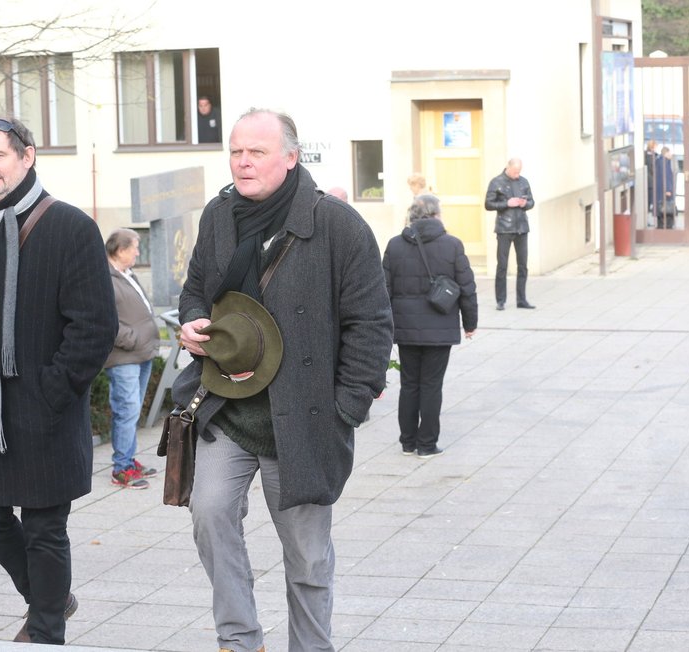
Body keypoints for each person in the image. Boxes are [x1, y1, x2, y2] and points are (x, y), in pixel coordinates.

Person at [173, 108, 393, 652]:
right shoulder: (218, 215)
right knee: (209, 512)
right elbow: (196, 288)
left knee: (308, 556)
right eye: (235, 151)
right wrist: (192, 322)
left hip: (304, 420)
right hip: (228, 408)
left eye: (257, 151)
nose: (242, 162)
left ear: (291, 158)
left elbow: (372, 324)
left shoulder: (338, 225)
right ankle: (239, 640)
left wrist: (347, 406)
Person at [0, 116, 117, 644]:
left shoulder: (72, 228)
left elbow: (95, 329)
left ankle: (45, 630)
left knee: (43, 529)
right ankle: (50, 596)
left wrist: (48, 394)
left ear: (27, 156)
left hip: (46, 410)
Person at [382, 193, 477, 458]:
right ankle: (427, 444)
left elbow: (382, 291)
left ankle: (407, 441)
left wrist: (385, 328)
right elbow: (468, 289)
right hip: (440, 327)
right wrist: (470, 323)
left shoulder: (395, 245)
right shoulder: (452, 245)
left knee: (409, 383)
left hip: (405, 328)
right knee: (432, 385)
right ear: (436, 215)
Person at [104, 228, 160, 489]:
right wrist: (133, 339)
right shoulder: (105, 277)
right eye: (135, 247)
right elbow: (105, 320)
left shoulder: (127, 274)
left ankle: (129, 459)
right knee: (126, 410)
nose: (138, 252)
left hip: (142, 353)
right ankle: (121, 468)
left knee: (133, 410)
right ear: (120, 250)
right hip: (125, 356)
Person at [485, 158, 536, 310]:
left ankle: (522, 300)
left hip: (521, 227)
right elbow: (488, 204)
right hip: (504, 228)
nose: (517, 174)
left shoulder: (524, 182)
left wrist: (524, 204)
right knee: (502, 265)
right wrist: (506, 204)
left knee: (523, 266)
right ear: (508, 167)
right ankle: (500, 300)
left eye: (519, 172)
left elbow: (532, 202)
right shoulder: (496, 182)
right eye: (515, 172)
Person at [652, 146, 676, 229]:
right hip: (664, 189)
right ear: (666, 153)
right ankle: (666, 226)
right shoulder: (663, 162)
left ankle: (661, 225)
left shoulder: (661, 161)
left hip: (660, 188)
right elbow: (665, 176)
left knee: (661, 206)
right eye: (670, 152)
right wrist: (668, 189)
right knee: (666, 207)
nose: (671, 154)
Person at [644, 139, 658, 219]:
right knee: (649, 201)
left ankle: (649, 216)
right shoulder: (651, 156)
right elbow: (653, 168)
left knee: (649, 201)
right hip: (651, 181)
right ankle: (648, 218)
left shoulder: (646, 155)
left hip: (649, 181)